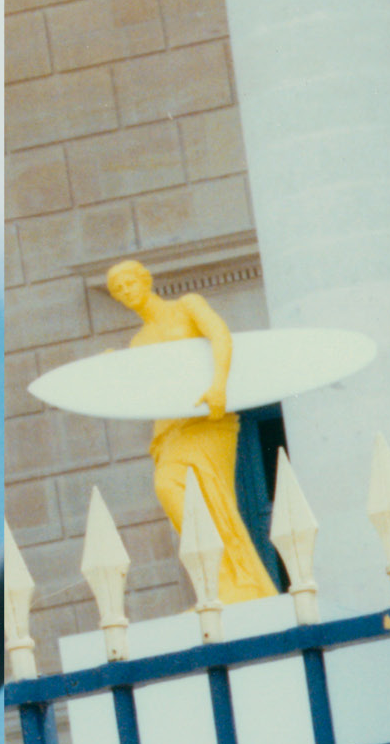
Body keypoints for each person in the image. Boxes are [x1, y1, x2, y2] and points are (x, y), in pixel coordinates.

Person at [98, 255, 272, 603]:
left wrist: (218, 384)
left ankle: (242, 584)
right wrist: (115, 369)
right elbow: (145, 393)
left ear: (145, 280)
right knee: (170, 489)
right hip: (172, 428)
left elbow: (220, 336)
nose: (125, 291)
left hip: (210, 417)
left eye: (129, 282)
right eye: (118, 290)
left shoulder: (186, 306)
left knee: (216, 498)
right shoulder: (138, 342)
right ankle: (219, 584)